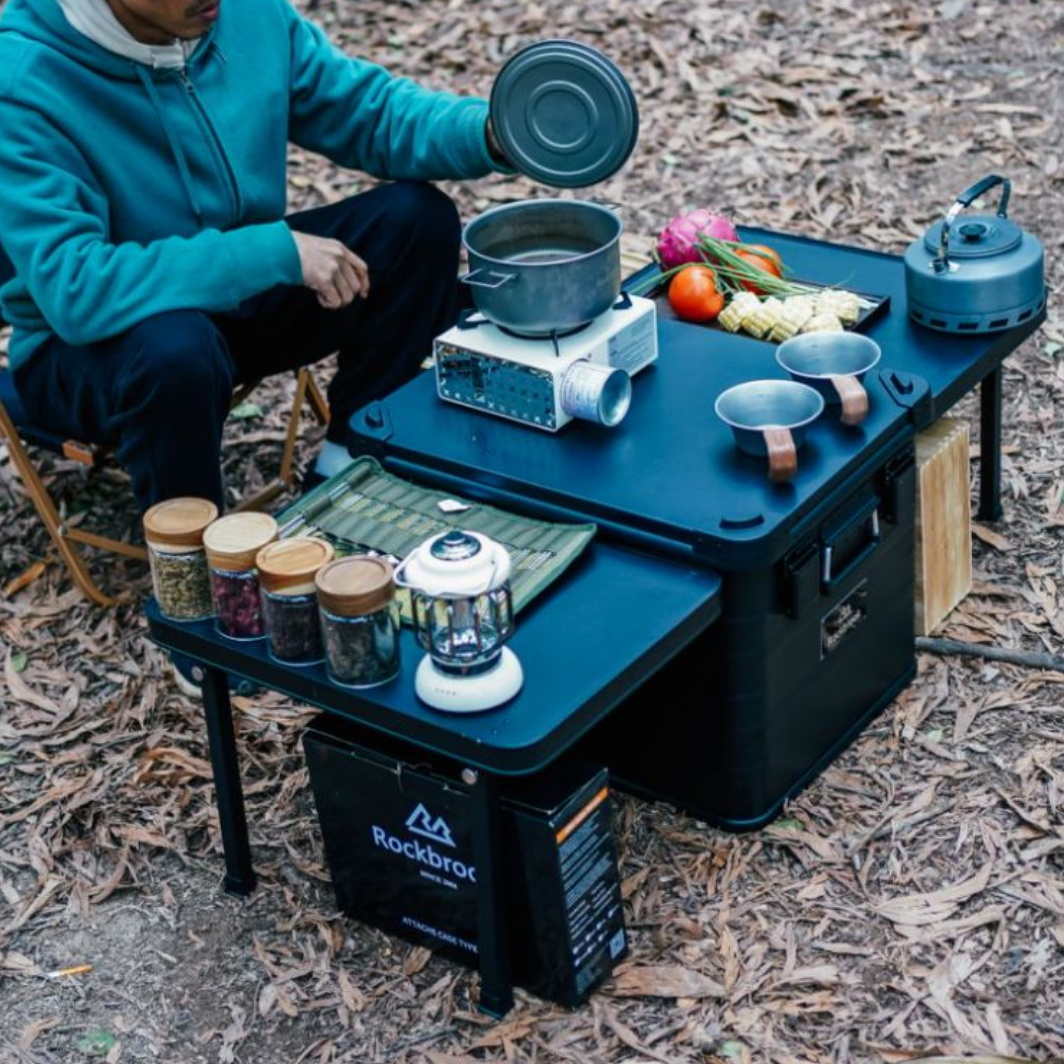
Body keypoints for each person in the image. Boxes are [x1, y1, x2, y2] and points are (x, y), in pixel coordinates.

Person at [0, 0, 513, 509]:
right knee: (175, 348)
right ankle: (199, 564)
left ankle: (355, 462)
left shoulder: (239, 14)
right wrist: (269, 252)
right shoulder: (24, 82)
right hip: (92, 352)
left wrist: (491, 133)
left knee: (414, 221)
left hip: (231, 300)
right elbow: (75, 287)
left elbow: (368, 114)